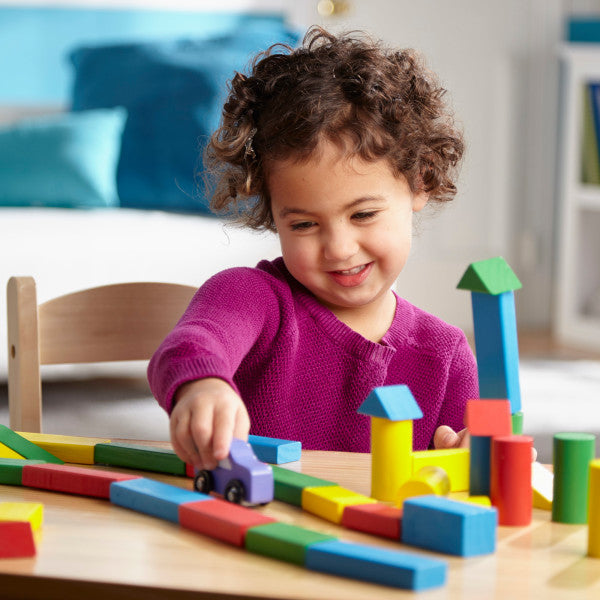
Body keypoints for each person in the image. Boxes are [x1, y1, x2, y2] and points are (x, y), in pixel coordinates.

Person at [148, 26, 479, 470]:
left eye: (362, 215)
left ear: (422, 181)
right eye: (304, 224)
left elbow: (462, 483)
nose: (339, 250)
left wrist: (475, 461)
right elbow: (191, 345)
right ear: (272, 211)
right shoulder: (250, 298)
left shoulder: (446, 356)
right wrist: (203, 385)